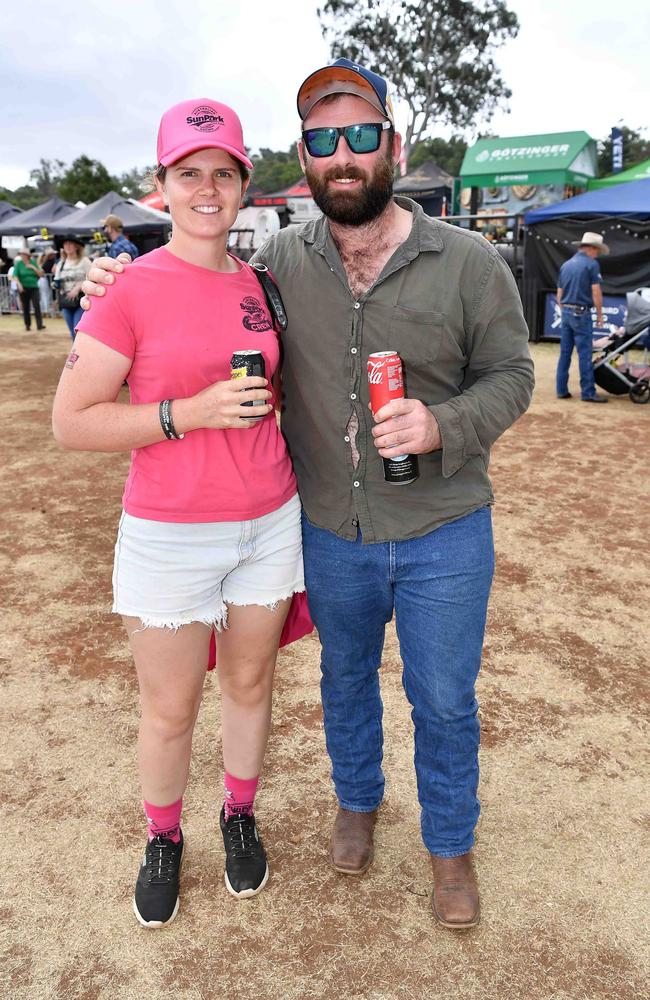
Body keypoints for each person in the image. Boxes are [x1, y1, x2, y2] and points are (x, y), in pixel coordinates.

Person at [81, 59, 534, 930]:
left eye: (360, 135)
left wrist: (446, 425)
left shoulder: (469, 261)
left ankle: (450, 848)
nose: (344, 154)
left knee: (443, 698)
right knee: (343, 681)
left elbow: (514, 373)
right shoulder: (279, 263)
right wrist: (110, 280)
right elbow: (193, 282)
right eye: (324, 140)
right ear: (304, 158)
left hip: (443, 525)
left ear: (391, 146)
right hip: (329, 526)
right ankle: (356, 804)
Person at [53, 98, 304, 929]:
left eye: (223, 173)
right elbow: (72, 421)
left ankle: (239, 812)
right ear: (161, 186)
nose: (207, 188)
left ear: (243, 185)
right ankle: (164, 836)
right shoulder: (129, 289)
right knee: (168, 708)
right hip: (167, 532)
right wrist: (181, 415)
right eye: (189, 173)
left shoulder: (263, 281)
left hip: (268, 521)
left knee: (250, 681)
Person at [555, 231, 609, 403]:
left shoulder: (566, 265)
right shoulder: (591, 265)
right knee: (584, 354)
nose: (597, 254)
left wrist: (565, 310)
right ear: (592, 248)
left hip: (566, 313)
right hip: (581, 313)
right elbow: (596, 292)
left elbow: (559, 294)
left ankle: (561, 390)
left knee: (565, 353)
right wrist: (600, 315)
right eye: (597, 251)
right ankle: (588, 392)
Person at [53, 237, 92, 340]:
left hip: (81, 300)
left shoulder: (84, 261)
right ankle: (76, 354)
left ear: (76, 246)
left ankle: (83, 354)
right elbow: (57, 281)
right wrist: (56, 287)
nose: (68, 246)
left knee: (77, 330)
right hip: (66, 301)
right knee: (72, 331)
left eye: (70, 244)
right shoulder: (61, 264)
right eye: (65, 244)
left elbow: (92, 277)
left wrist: (78, 287)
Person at [13, 249, 45, 331]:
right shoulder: (18, 264)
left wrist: (33, 268)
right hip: (23, 288)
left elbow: (40, 274)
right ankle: (27, 325)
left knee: (36, 305)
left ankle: (39, 325)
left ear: (28, 255)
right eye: (21, 254)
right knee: (25, 307)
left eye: (24, 254)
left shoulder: (33, 262)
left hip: (34, 287)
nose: (22, 256)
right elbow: (15, 276)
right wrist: (19, 284)